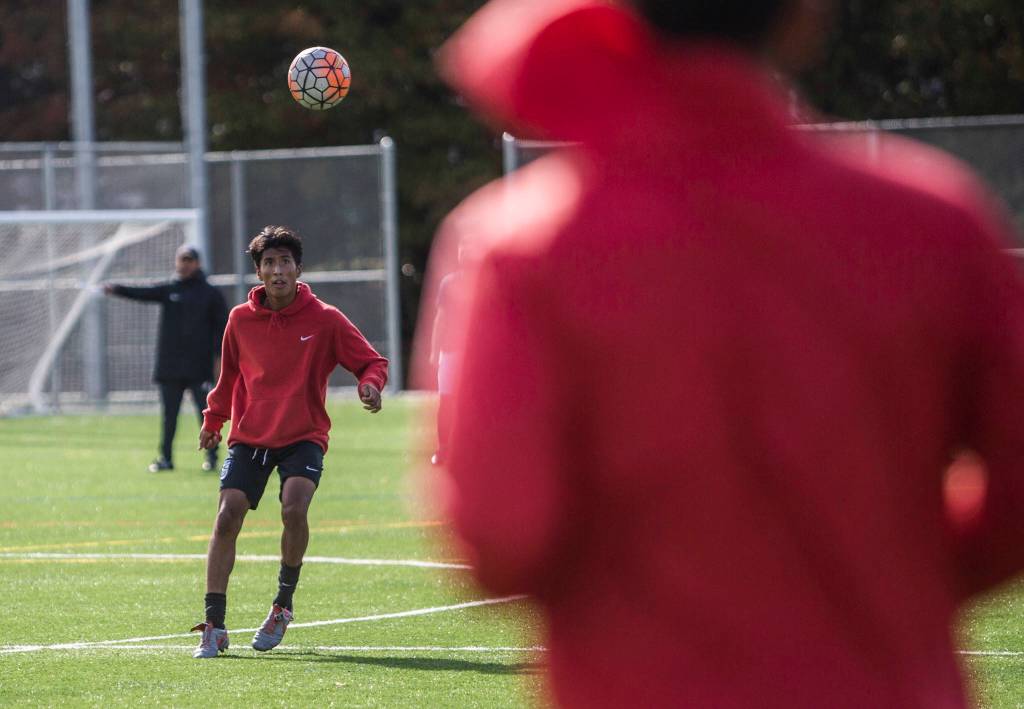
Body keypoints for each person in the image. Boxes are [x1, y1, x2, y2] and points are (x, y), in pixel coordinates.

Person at [418, 0, 1024, 706]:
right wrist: (899, 572)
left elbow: (502, 534)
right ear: (803, 20)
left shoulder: (529, 244)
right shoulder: (934, 221)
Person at [191, 225, 388, 659]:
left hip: (303, 435)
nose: (277, 271)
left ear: (298, 269)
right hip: (251, 434)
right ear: (258, 273)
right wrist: (214, 420)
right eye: (268, 264)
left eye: (285, 262)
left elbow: (370, 361)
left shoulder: (326, 319)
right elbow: (228, 379)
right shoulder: (240, 320)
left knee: (294, 506)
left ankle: (282, 605)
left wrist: (370, 385)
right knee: (227, 516)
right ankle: (215, 625)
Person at [104, 244, 228, 473]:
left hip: (200, 367)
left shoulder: (211, 294)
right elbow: (142, 293)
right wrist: (116, 289)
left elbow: (222, 331)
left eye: (189, 260)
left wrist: (219, 362)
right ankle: (166, 458)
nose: (184, 264)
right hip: (170, 367)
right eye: (181, 259)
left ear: (198, 263)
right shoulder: (170, 289)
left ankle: (212, 457)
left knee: (207, 415)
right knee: (169, 416)